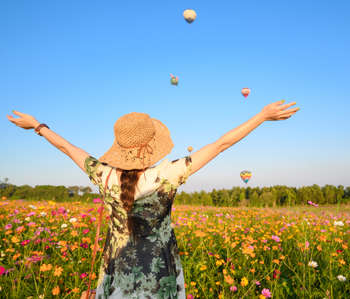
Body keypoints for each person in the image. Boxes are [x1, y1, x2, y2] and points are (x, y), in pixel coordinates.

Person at [6, 100, 299, 298]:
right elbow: (221, 144)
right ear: (151, 146)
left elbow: (68, 147)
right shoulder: (168, 175)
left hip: (116, 270)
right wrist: (262, 116)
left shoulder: (103, 175)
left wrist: (37, 127)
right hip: (160, 273)